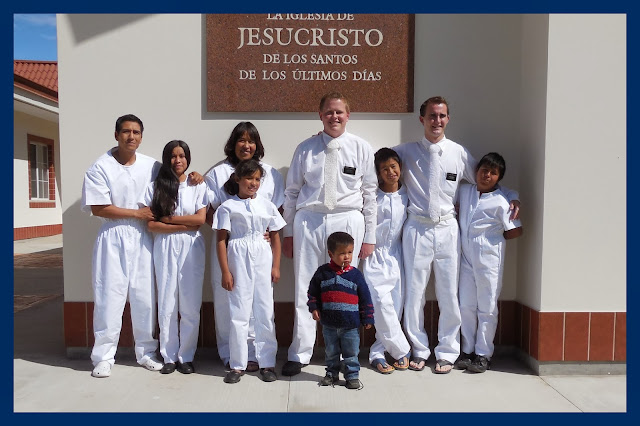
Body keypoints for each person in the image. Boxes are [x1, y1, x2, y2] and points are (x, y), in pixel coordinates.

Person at [393, 97, 520, 374]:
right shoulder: (406, 152)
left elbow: (486, 182)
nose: (436, 121)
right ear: (422, 119)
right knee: (414, 293)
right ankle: (419, 349)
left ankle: (448, 351)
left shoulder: (458, 153)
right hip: (417, 228)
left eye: (442, 116)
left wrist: (512, 195)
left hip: (448, 229)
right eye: (431, 116)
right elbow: (375, 163)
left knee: (449, 293)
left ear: (448, 119)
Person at [82, 114, 204, 378]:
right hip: (113, 235)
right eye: (126, 131)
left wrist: (197, 176)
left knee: (145, 296)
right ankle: (104, 356)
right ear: (116, 135)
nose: (131, 136)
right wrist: (136, 213)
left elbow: (177, 172)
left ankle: (146, 352)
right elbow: (98, 207)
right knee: (109, 296)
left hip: (144, 238)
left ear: (141, 136)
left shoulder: (151, 166)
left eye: (136, 132)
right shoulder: (100, 167)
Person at [281, 92, 377, 377]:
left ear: (348, 115)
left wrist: (369, 236)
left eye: (339, 112)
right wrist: (288, 232)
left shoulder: (361, 148)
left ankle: (348, 355)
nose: (334, 117)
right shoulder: (306, 149)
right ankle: (300, 353)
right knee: (305, 286)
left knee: (345, 288)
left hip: (347, 219)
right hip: (310, 219)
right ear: (320, 115)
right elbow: (292, 192)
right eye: (329, 112)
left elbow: (370, 194)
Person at [204, 122, 285, 372]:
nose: (246, 145)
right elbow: (209, 211)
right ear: (233, 143)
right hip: (231, 247)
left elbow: (276, 212)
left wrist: (264, 234)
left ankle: (261, 357)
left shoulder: (270, 174)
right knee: (230, 301)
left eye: (251, 141)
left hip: (259, 249)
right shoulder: (218, 173)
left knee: (262, 304)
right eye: (241, 140)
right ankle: (233, 355)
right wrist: (230, 231)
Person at [141, 140, 207, 375]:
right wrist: (182, 225)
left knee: (190, 303)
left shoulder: (197, 185)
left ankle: (186, 356)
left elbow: (200, 220)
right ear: (166, 159)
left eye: (182, 156)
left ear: (188, 158)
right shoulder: (156, 187)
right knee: (167, 301)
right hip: (165, 245)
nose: (177, 160)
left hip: (192, 247)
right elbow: (151, 225)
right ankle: (169, 355)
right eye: (173, 156)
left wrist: (167, 220)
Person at [454, 153, 523, 373]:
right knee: (466, 305)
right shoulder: (466, 191)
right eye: (484, 170)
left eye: (493, 173)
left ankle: (483, 354)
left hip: (489, 260)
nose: (487, 175)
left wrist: (492, 240)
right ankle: (467, 350)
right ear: (477, 171)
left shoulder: (502, 201)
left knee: (487, 307)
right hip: (466, 258)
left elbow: (516, 230)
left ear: (498, 178)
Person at [362, 148, 411, 374]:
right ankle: (402, 351)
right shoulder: (372, 197)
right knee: (381, 304)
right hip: (375, 255)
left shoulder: (408, 195)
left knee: (395, 306)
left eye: (393, 166)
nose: (390, 172)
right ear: (378, 173)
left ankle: (377, 353)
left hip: (398, 255)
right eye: (384, 169)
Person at [307, 232, 375, 389]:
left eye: (350, 252)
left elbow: (365, 298)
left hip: (350, 325)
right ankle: (332, 373)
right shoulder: (322, 273)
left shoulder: (356, 275)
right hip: (329, 325)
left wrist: (368, 318)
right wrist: (314, 308)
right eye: (342, 253)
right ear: (331, 254)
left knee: (351, 353)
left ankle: (352, 376)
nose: (347, 257)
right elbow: (313, 293)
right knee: (331, 352)